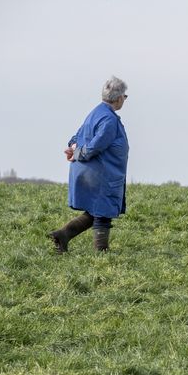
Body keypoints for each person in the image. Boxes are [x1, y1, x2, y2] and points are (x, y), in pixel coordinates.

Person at [49, 76, 129, 253]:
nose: (124, 100)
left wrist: (72, 147)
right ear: (118, 98)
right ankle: (101, 252)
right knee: (103, 211)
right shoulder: (109, 120)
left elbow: (76, 137)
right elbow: (95, 146)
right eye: (125, 96)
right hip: (101, 173)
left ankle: (62, 235)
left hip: (94, 171)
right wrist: (77, 152)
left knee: (96, 210)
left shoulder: (95, 113)